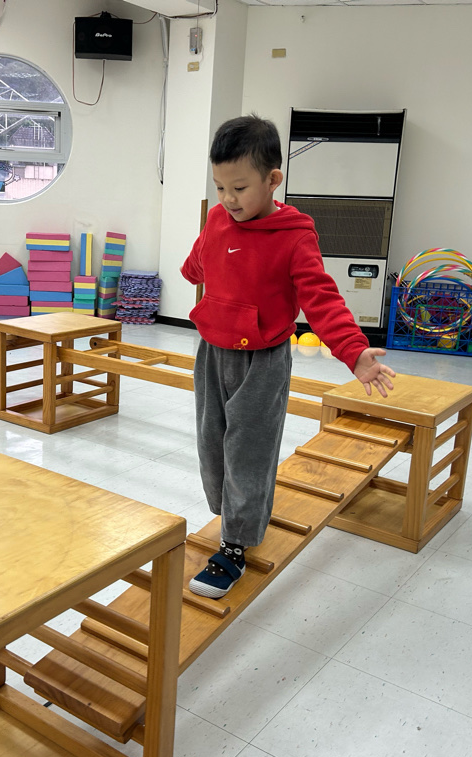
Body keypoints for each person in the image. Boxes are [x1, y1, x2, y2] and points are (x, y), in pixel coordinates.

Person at [181, 114, 396, 599]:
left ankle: (235, 544)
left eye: (239, 188)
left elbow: (321, 297)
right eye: (220, 187)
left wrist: (354, 352)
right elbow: (203, 257)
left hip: (262, 360)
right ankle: (232, 515)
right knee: (212, 445)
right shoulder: (218, 218)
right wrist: (194, 266)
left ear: (272, 179)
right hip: (212, 351)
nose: (228, 199)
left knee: (248, 451)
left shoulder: (295, 234)